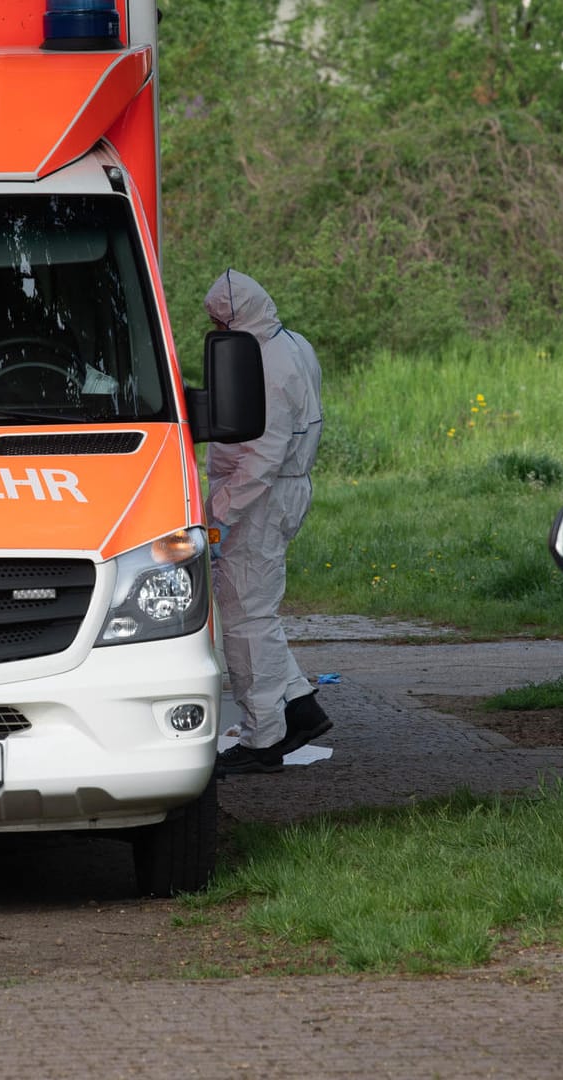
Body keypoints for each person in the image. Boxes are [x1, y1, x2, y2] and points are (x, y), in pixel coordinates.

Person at [204, 270, 333, 775]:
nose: (214, 328)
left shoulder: (263, 363)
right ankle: (300, 708)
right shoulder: (292, 343)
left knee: (246, 619)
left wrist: (220, 512)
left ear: (236, 316)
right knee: (256, 610)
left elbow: (263, 456)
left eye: (218, 319)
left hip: (258, 497)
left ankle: (263, 738)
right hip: (284, 490)